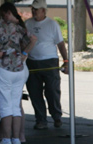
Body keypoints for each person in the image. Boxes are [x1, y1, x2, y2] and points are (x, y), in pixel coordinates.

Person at [0, 3, 36, 144]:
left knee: (5, 106)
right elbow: (33, 39)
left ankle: (6, 140)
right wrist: (24, 53)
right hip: (19, 68)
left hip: (3, 68)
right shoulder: (17, 27)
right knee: (16, 106)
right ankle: (16, 139)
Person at [25, 0, 68, 130]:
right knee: (34, 92)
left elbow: (60, 44)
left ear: (44, 10)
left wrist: (66, 61)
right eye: (32, 9)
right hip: (32, 61)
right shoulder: (27, 23)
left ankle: (56, 116)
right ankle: (41, 120)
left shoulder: (52, 24)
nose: (33, 12)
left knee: (52, 90)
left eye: (36, 9)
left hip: (50, 61)